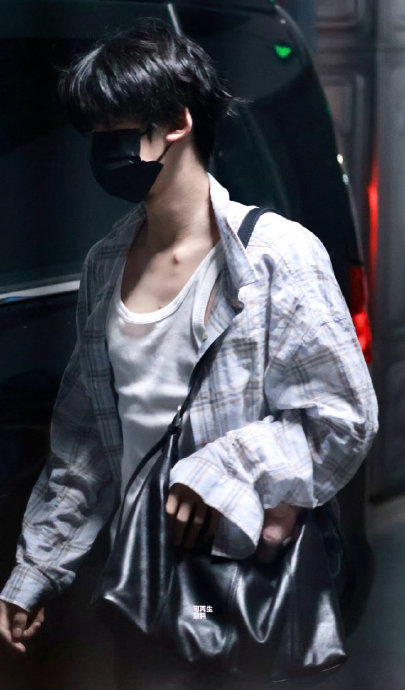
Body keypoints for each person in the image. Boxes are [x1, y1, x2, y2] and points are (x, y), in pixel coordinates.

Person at [0, 21, 378, 690]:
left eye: (116, 126)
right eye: (94, 130)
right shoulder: (105, 265)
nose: (103, 147)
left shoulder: (276, 256)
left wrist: (220, 468)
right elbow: (84, 447)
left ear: (177, 121)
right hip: (140, 582)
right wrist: (36, 571)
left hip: (243, 583)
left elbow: (341, 416)